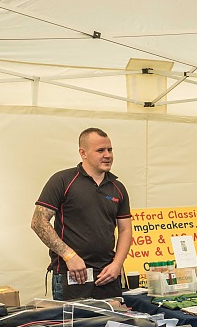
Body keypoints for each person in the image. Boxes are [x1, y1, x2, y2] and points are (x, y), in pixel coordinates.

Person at [31, 127, 132, 301]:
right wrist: (69, 256)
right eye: (100, 150)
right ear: (83, 153)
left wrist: (117, 264)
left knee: (111, 326)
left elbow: (125, 230)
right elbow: (38, 222)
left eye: (110, 150)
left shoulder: (118, 188)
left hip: (107, 276)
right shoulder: (63, 180)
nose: (107, 155)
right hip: (71, 274)